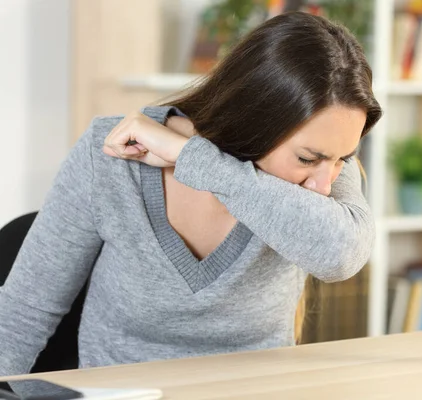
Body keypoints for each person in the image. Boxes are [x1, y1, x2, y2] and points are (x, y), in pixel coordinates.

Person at [0, 11, 381, 376]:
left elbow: (341, 256)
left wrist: (193, 158)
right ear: (254, 119)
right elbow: (24, 313)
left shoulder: (328, 161)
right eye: (307, 159)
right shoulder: (113, 154)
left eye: (343, 158)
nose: (324, 186)